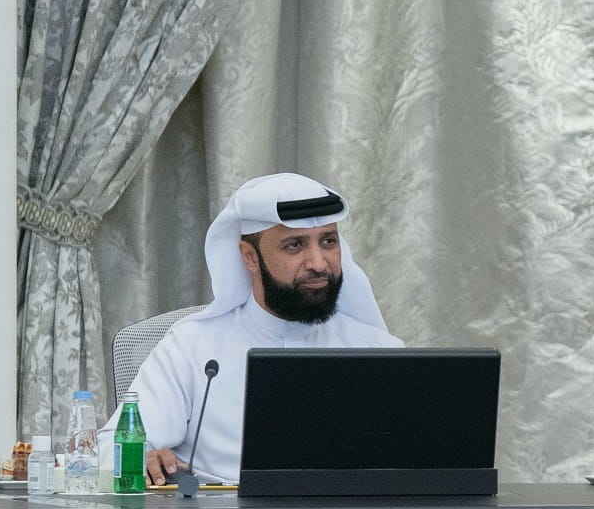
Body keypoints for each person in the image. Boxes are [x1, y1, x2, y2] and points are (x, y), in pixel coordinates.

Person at [103, 173, 403, 484]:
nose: (318, 263)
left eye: (328, 241)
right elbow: (111, 448)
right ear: (250, 257)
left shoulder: (380, 352)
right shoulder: (193, 348)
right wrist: (143, 457)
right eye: (295, 245)